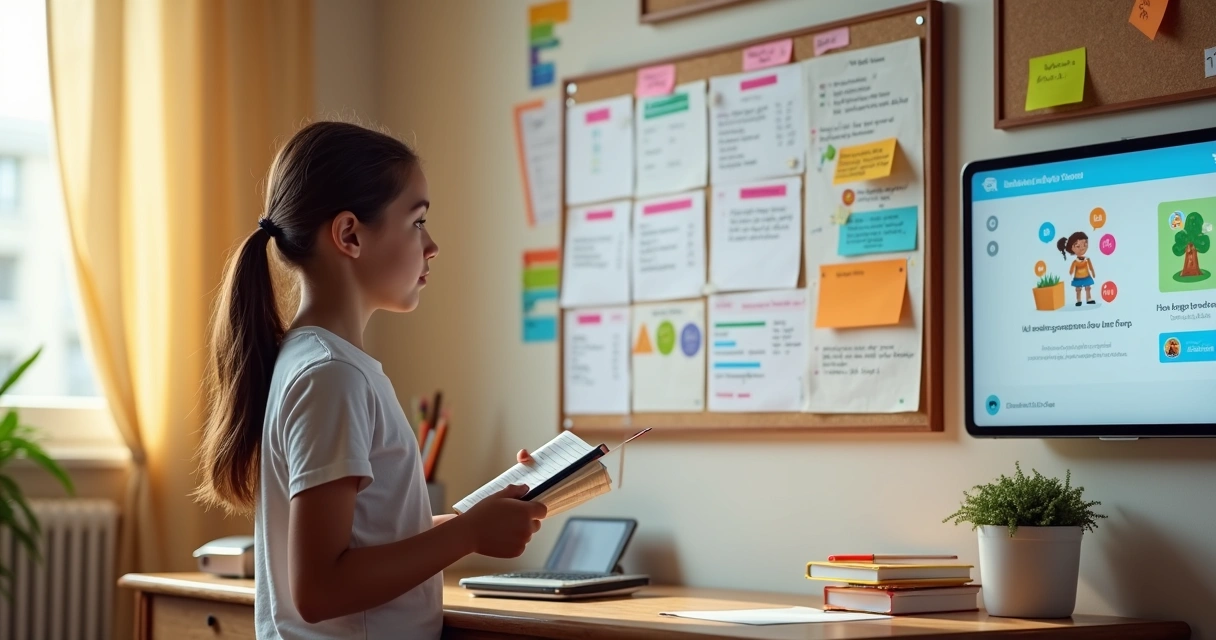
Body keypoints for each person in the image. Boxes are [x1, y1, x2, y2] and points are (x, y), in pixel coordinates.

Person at [194, 121, 546, 639]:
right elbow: (320, 589)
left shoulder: (322, 364)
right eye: (418, 221)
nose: (433, 246)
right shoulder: (330, 376)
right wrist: (469, 533)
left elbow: (366, 548)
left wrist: (472, 522)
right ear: (350, 235)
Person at [1057, 230, 1096, 307]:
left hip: (1087, 276)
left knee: (1088, 287)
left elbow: (1091, 267)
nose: (1082, 248)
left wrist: (1093, 273)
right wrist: (1070, 272)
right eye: (1078, 246)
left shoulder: (1087, 259)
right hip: (1078, 277)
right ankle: (1078, 300)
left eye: (1085, 244)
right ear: (1072, 248)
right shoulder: (1075, 262)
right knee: (1078, 289)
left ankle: (1089, 299)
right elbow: (1072, 269)